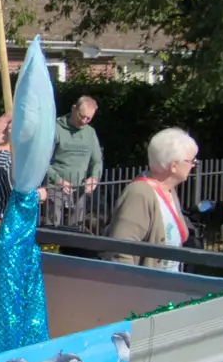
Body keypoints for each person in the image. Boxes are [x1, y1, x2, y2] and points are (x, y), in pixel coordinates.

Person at [104, 127, 198, 270]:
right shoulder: (139, 194)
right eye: (191, 161)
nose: (193, 165)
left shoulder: (169, 190)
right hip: (147, 289)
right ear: (174, 166)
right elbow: (120, 251)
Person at [45, 96, 103, 228]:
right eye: (81, 116)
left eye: (88, 118)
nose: (84, 121)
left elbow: (97, 161)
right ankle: (50, 248)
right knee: (52, 226)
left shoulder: (90, 133)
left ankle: (71, 249)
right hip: (56, 185)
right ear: (73, 109)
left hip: (79, 187)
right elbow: (43, 161)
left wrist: (94, 178)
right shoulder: (55, 129)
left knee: (77, 226)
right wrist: (58, 180)